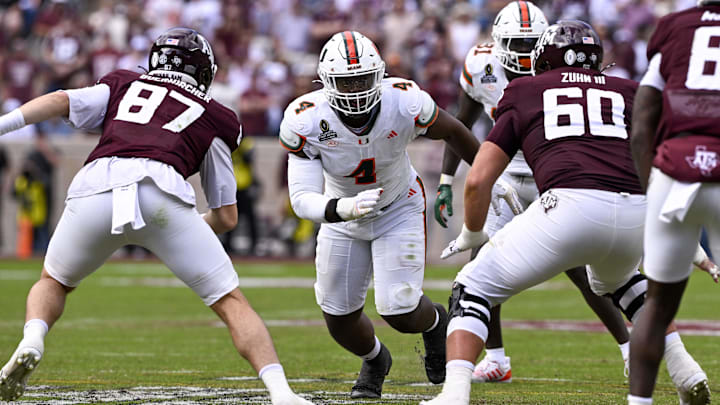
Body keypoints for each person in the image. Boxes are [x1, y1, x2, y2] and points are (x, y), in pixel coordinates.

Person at [0, 28, 313, 405]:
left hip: (98, 182)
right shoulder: (216, 115)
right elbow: (227, 217)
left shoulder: (122, 83)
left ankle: (33, 337)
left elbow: (60, 99)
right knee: (231, 303)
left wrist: (4, 125)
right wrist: (180, 234)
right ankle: (282, 393)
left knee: (54, 281)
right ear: (203, 71)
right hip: (162, 189)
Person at [422, 20, 710, 405]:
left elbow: (477, 181)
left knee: (472, 287)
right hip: (636, 211)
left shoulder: (525, 89)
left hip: (569, 206)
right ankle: (686, 370)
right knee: (624, 283)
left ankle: (454, 394)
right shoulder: (628, 90)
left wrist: (473, 232)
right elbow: (665, 163)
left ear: (544, 59)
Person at [435, 0, 631, 382]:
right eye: (515, 44)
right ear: (496, 42)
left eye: (531, 45)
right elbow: (460, 123)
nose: (524, 54)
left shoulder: (558, 65)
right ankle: (495, 358)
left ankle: (628, 346)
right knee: (481, 266)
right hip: (505, 175)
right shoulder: (480, 65)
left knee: (580, 268)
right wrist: (445, 180)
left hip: (553, 173)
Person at [279, 31, 480, 399]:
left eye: (362, 79)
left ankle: (435, 323)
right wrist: (342, 208)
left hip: (397, 206)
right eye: (345, 81)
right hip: (342, 216)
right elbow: (302, 198)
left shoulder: (403, 101)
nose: (355, 88)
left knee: (399, 308)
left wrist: (488, 176)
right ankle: (375, 359)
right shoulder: (305, 120)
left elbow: (453, 130)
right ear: (325, 82)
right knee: (338, 317)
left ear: (380, 74)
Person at [627, 1, 720, 404]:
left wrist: (654, 186)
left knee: (657, 306)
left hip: (674, 169)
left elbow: (643, 116)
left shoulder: (674, 28)